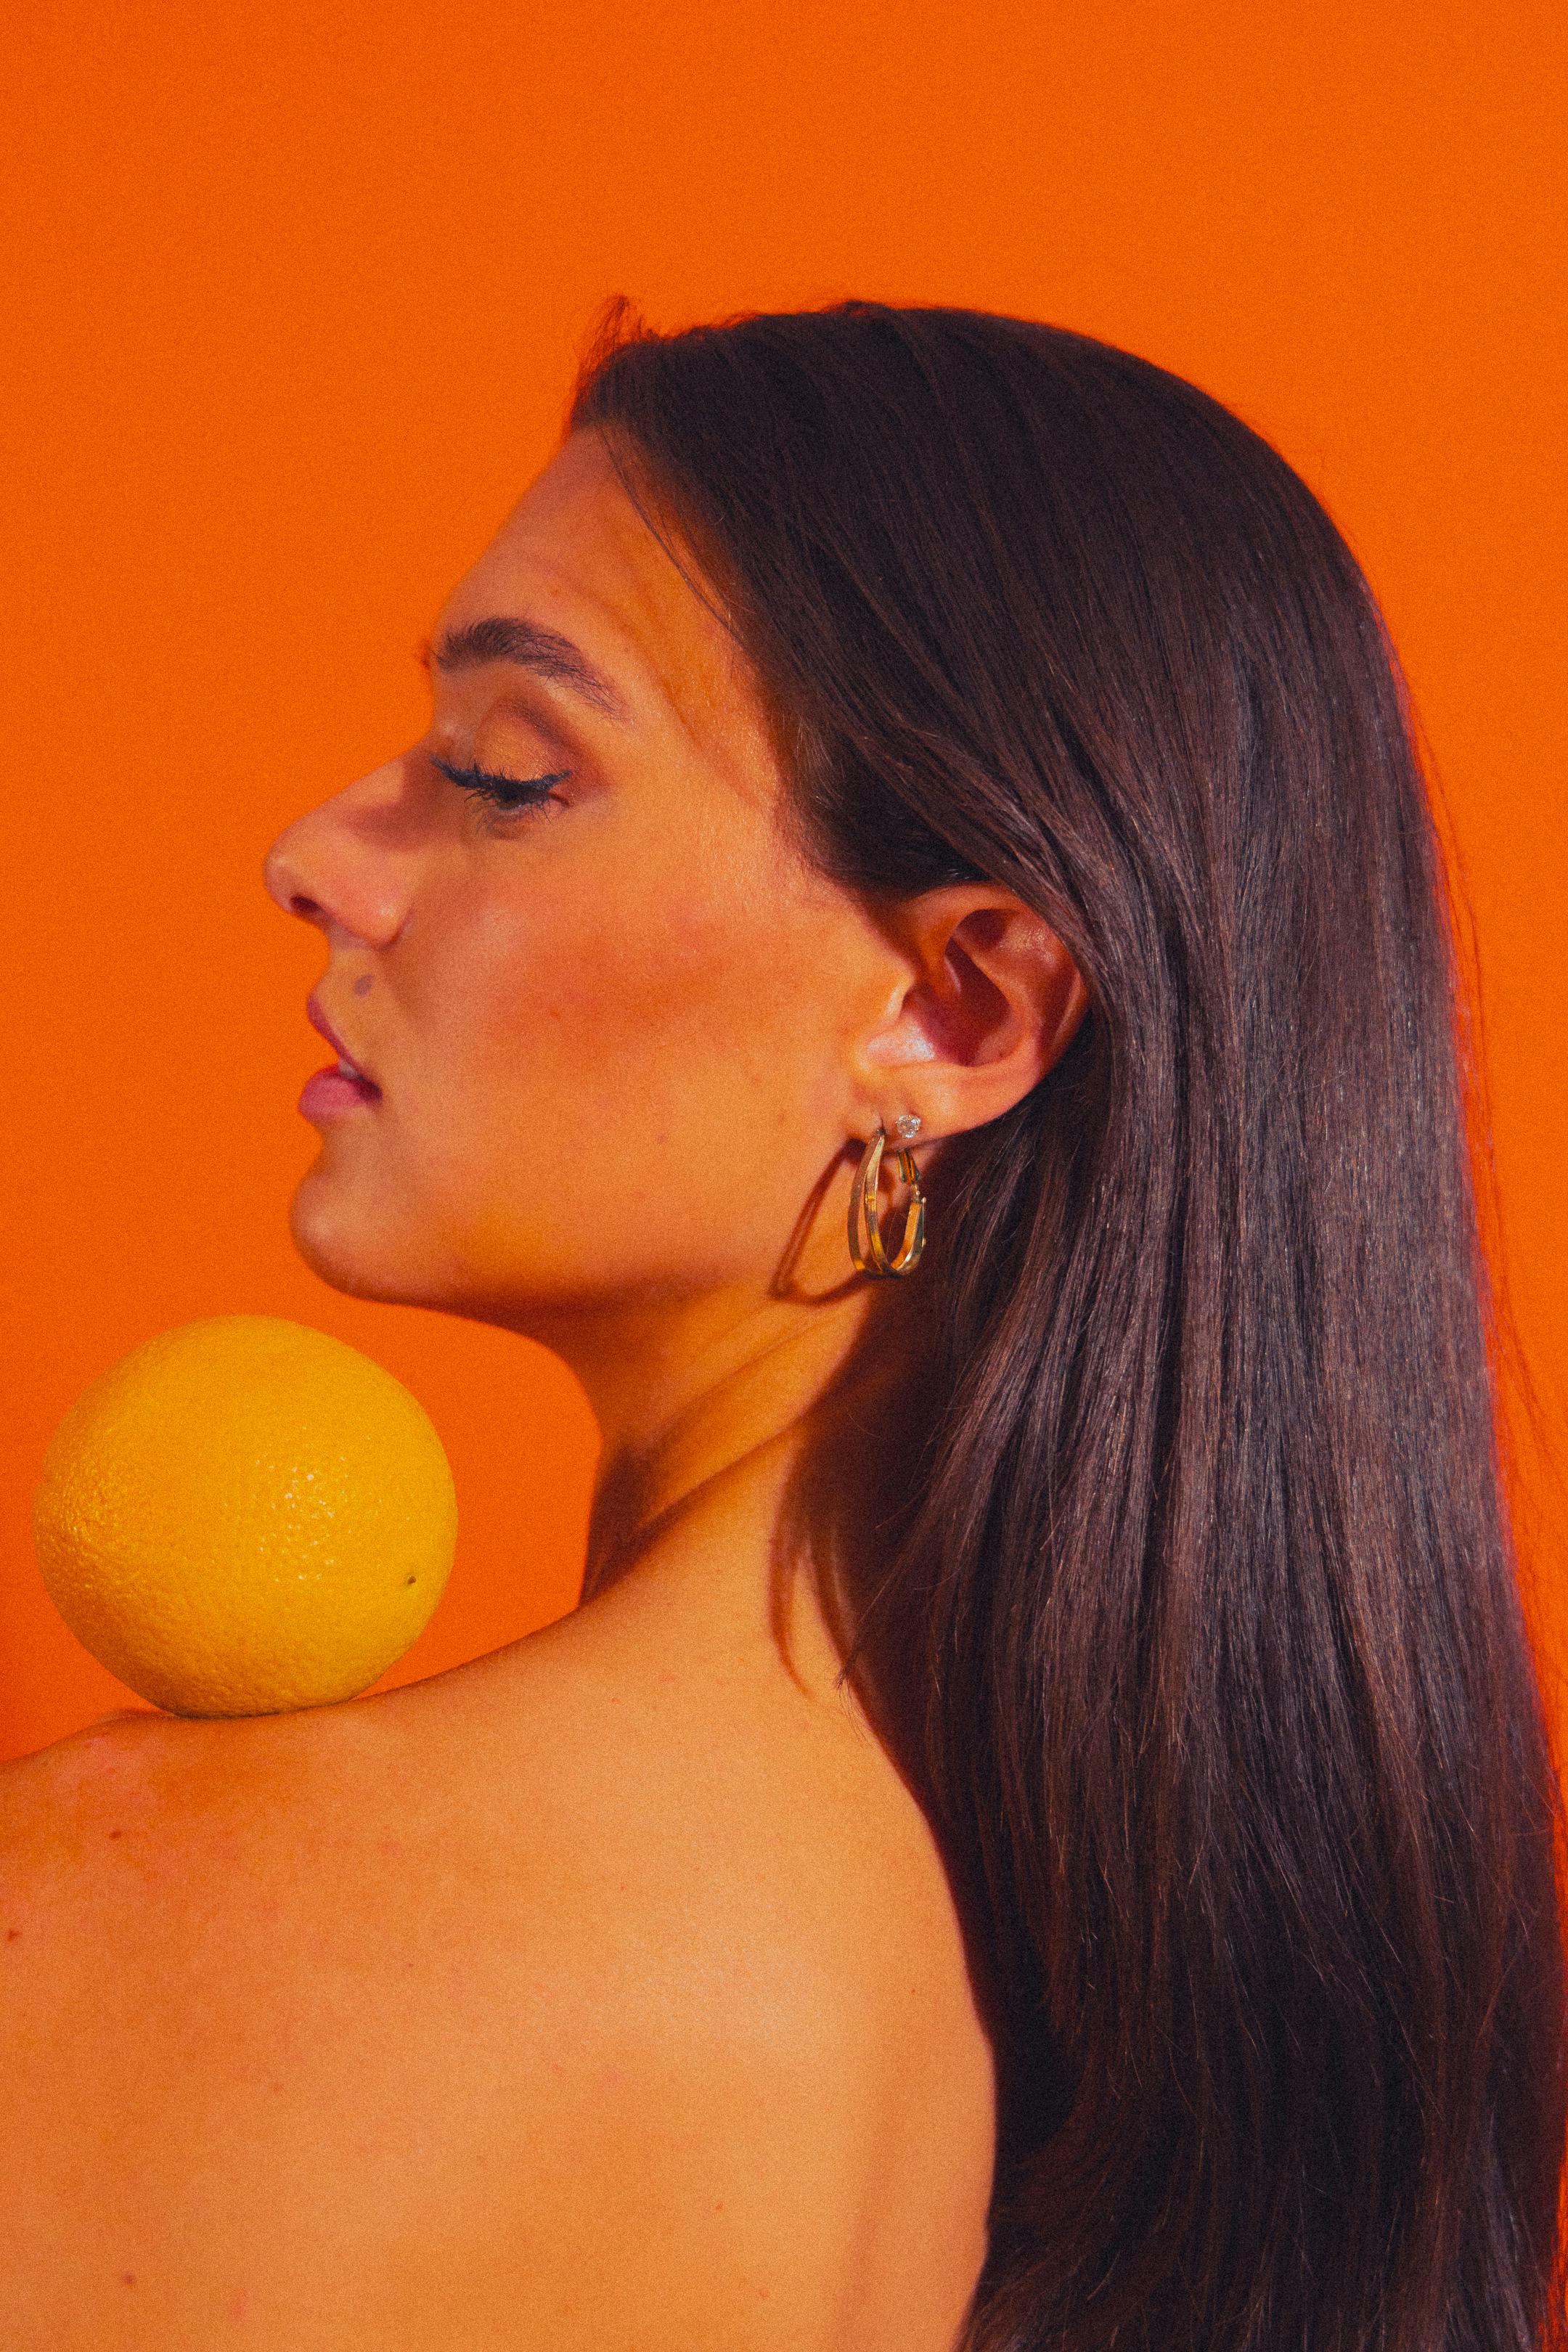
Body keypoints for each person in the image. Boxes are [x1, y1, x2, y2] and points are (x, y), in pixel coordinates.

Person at [1, 301, 1563, 2351]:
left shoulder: (175, 1921)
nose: (318, 856)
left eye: (504, 775)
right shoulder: (1090, 2059)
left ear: (959, 1013)